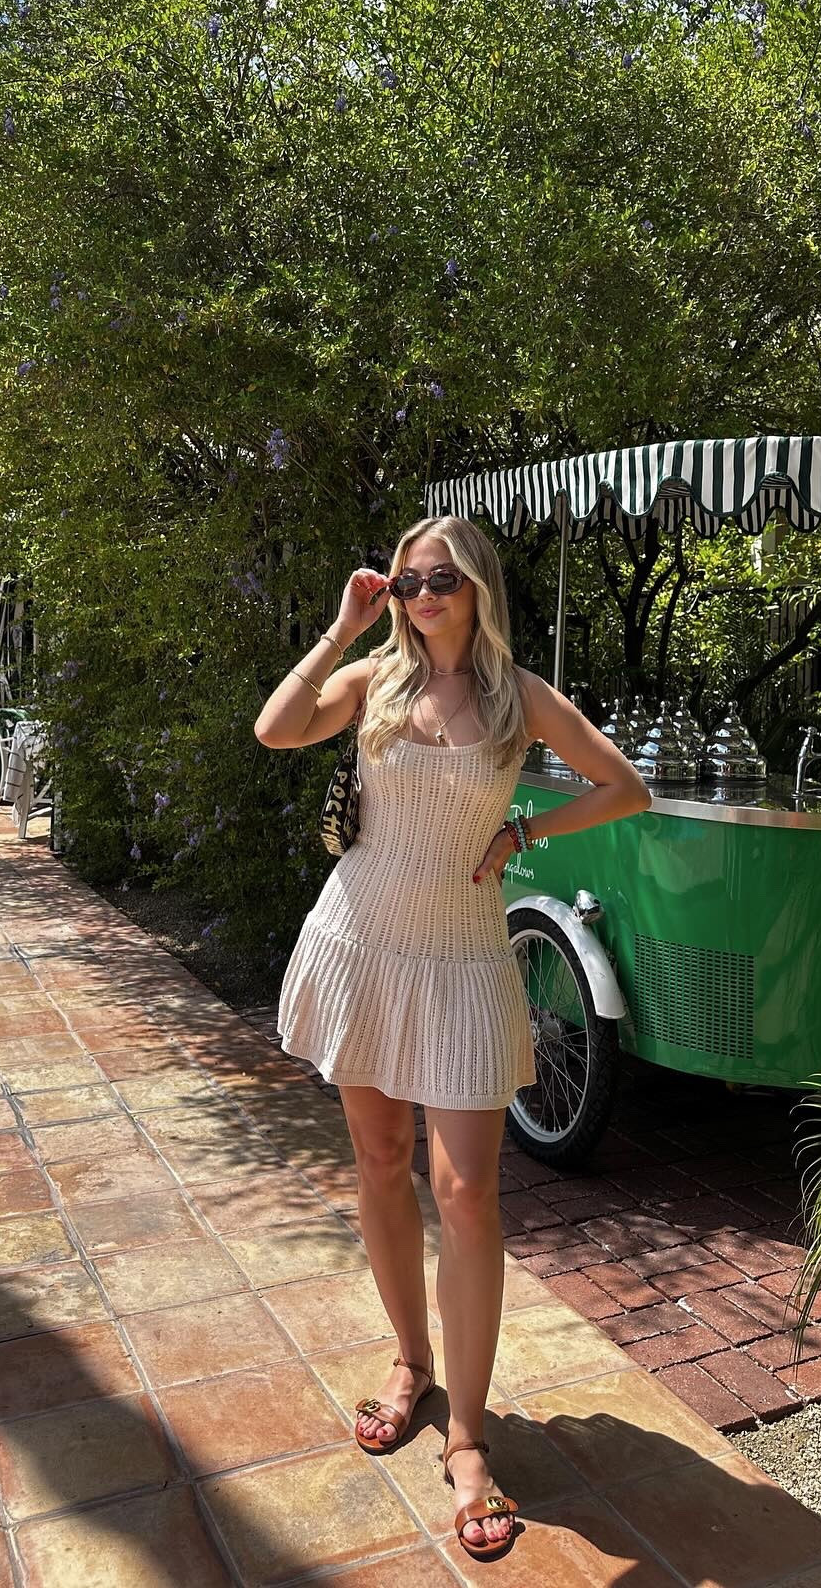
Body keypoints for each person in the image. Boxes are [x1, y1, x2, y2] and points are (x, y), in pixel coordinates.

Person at [254, 514, 650, 1560]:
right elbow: (276, 729)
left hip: (466, 957)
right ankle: (409, 1363)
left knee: (469, 1192)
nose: (423, 595)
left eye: (442, 579)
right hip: (362, 940)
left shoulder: (520, 698)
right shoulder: (373, 681)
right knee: (380, 1160)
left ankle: (468, 1438)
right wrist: (342, 629)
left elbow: (625, 785)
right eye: (409, 580)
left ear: (477, 587)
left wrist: (525, 832)